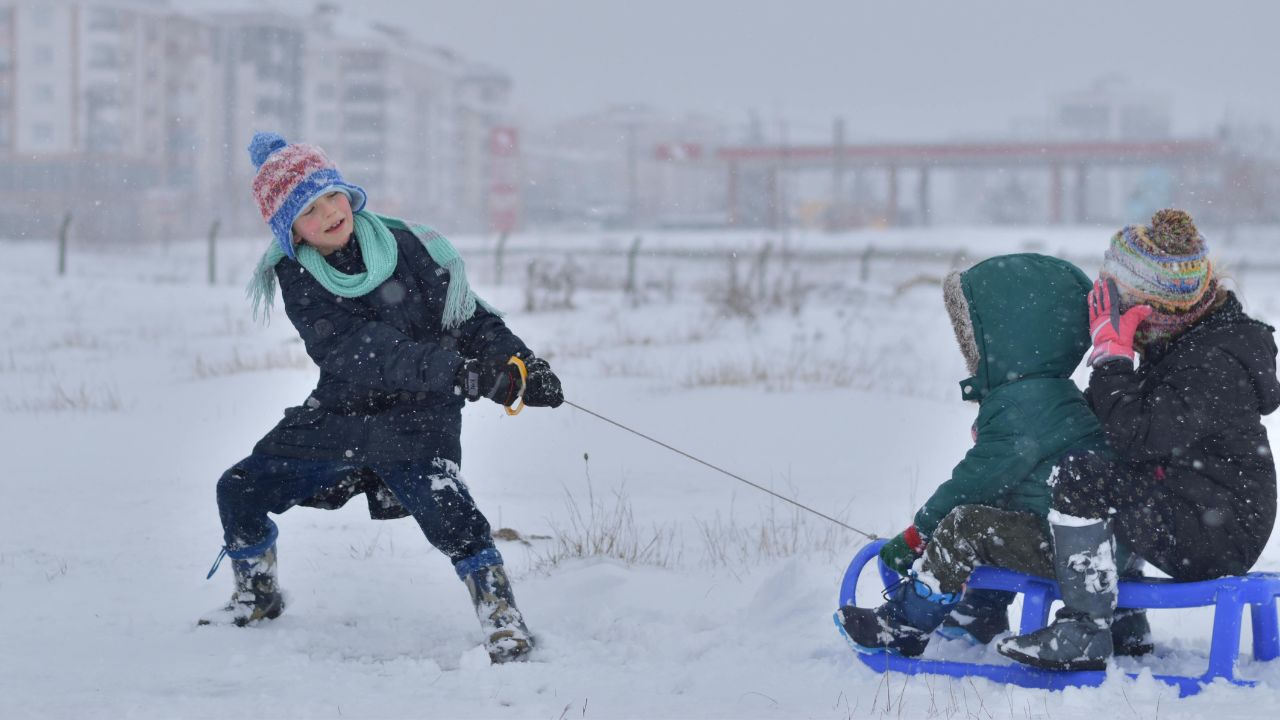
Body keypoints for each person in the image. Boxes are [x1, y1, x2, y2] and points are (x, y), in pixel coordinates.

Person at [197, 132, 564, 665]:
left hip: (419, 415)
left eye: (331, 196)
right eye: (308, 210)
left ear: (349, 192)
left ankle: (499, 611)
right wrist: (465, 375)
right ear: (288, 230)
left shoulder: (409, 246)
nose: (328, 214)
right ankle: (257, 594)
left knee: (448, 509)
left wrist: (521, 366)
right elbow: (362, 351)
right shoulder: (296, 271)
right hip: (341, 412)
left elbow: (467, 317)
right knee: (239, 488)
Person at [998, 209, 1280, 671]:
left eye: (1119, 300)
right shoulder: (1188, 339)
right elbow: (1112, 423)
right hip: (1196, 504)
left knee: (1085, 479)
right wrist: (1028, 429)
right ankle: (1125, 622)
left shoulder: (1215, 361)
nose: (1111, 311)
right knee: (1102, 468)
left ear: (1153, 304)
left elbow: (1136, 437)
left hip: (1219, 533)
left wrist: (1112, 356)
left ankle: (1085, 631)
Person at [834, 253, 1143, 658]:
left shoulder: (1023, 403)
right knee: (1005, 514)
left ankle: (906, 625)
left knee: (968, 525)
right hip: (1108, 548)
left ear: (1007, 338)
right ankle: (984, 613)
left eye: (974, 338)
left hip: (1076, 554)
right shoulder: (1052, 394)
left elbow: (974, 482)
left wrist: (916, 535)